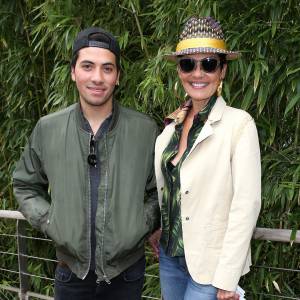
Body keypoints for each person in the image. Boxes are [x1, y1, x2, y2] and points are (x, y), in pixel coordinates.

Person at [13, 27, 160, 300]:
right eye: (88, 66)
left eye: (107, 69)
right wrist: (50, 219)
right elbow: (24, 184)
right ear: (73, 72)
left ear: (118, 77)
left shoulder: (144, 130)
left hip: (126, 273)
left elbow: (159, 191)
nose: (97, 77)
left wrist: (143, 221)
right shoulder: (49, 128)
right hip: (71, 272)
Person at [151, 16, 261, 300]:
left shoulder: (239, 124)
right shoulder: (169, 130)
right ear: (179, 71)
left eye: (208, 63)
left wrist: (228, 277)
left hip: (212, 267)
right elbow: (170, 190)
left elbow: (246, 205)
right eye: (188, 64)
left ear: (222, 70)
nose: (197, 73)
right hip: (170, 258)